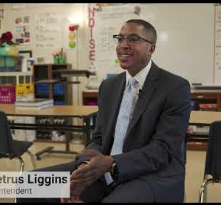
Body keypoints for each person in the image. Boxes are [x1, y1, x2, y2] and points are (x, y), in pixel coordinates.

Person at [18, 19, 191, 203]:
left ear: (151, 48)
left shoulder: (175, 87)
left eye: (133, 39)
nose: (124, 46)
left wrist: (112, 163)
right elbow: (99, 138)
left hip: (148, 174)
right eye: (120, 39)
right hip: (102, 170)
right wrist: (86, 166)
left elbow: (162, 150)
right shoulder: (109, 86)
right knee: (30, 184)